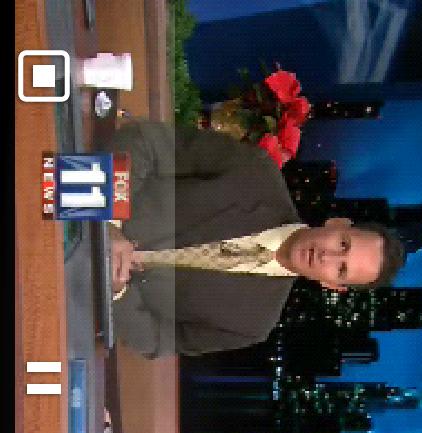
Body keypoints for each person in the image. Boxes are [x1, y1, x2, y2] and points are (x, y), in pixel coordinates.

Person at [106, 120, 406, 357]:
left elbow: (158, 340)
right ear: (337, 223)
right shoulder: (255, 172)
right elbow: (144, 141)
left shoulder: (253, 325)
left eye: (341, 268)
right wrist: (110, 219)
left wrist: (118, 292)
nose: (326, 256)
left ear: (332, 285)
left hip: (91, 296)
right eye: (342, 244)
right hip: (84, 205)